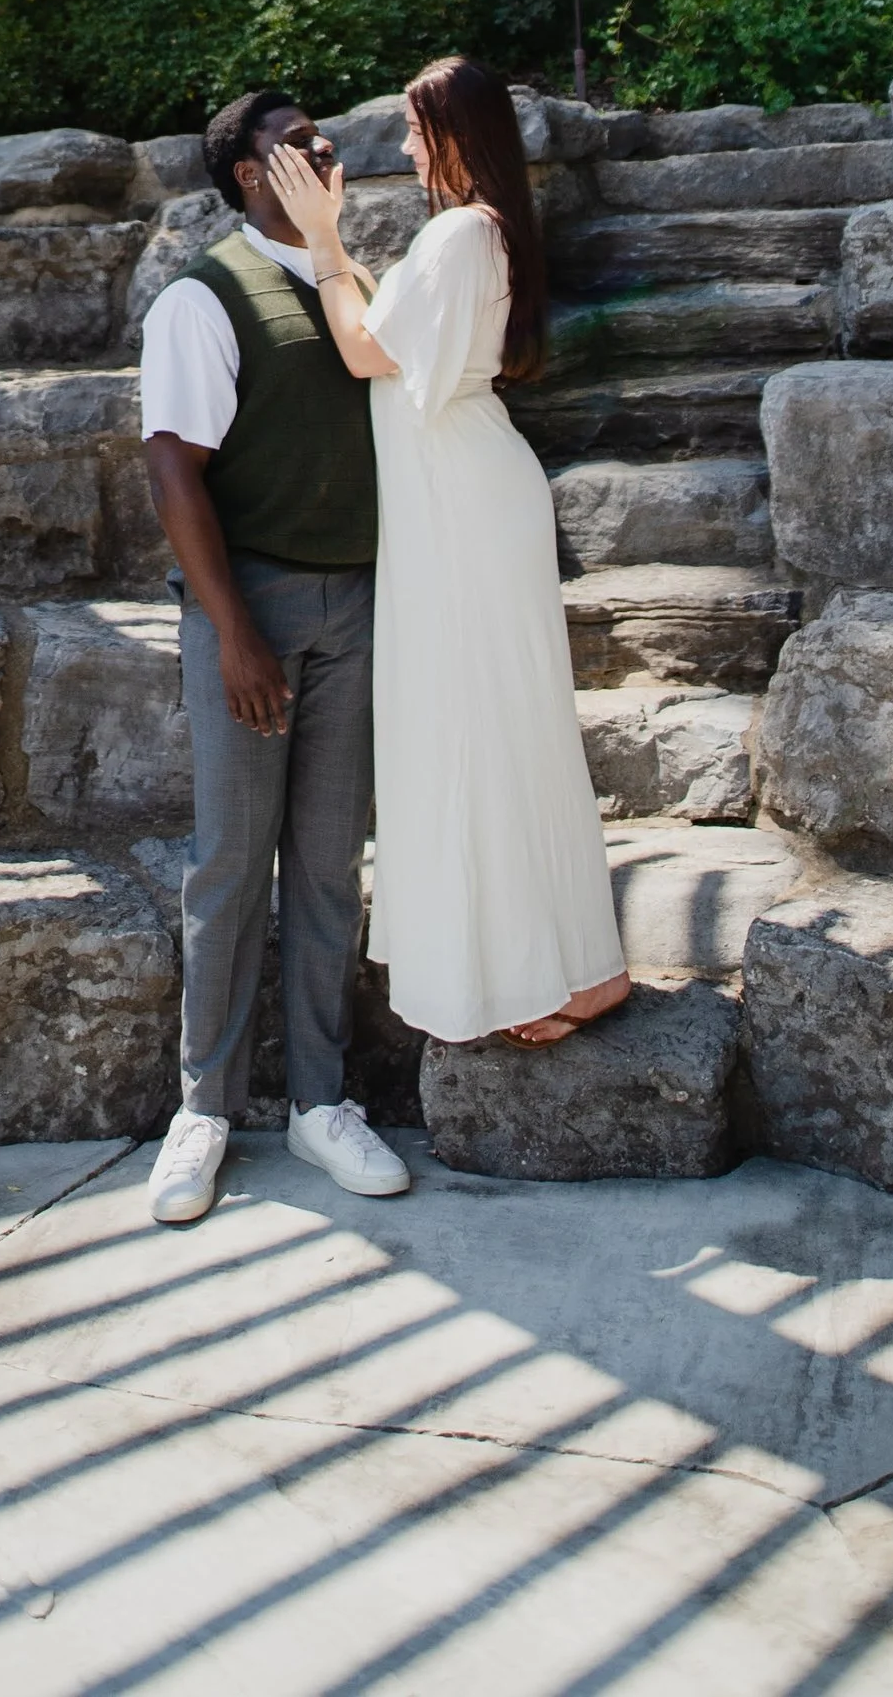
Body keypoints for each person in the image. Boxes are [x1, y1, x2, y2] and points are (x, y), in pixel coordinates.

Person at [268, 57, 630, 1050]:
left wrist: (325, 240)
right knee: (503, 721)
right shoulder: (482, 234)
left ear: (458, 135)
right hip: (463, 489)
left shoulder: (462, 232)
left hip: (462, 502)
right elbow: (396, 331)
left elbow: (363, 350)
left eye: (421, 130)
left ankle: (527, 976)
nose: (409, 147)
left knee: (477, 725)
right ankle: (568, 967)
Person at [138, 83, 413, 1228]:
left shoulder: (356, 281)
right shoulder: (206, 298)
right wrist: (236, 632)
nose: (324, 150)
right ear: (249, 175)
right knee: (229, 863)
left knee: (327, 864)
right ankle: (202, 1108)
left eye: (323, 138)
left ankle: (318, 1102)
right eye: (297, 144)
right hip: (248, 611)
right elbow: (171, 470)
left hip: (360, 608)